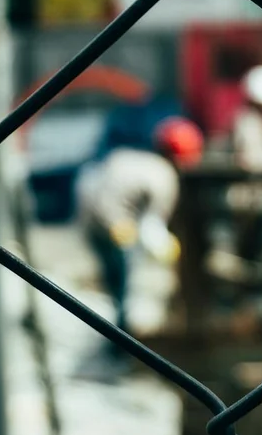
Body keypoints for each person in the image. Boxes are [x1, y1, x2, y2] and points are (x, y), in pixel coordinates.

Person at [73, 116, 204, 380]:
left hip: (90, 221)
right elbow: (152, 226)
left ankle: (116, 343)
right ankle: (121, 349)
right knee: (125, 291)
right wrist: (167, 247)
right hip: (115, 227)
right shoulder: (165, 177)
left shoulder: (132, 158)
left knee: (116, 288)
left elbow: (94, 184)